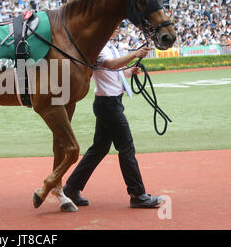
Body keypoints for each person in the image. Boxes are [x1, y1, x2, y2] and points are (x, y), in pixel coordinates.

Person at [63, 36, 163, 208]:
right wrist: (134, 55)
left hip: (110, 103)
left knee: (99, 149)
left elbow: (113, 72)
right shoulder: (99, 46)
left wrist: (130, 72)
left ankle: (71, 188)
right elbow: (110, 65)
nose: (116, 27)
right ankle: (137, 194)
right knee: (126, 147)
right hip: (109, 105)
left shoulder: (109, 45)